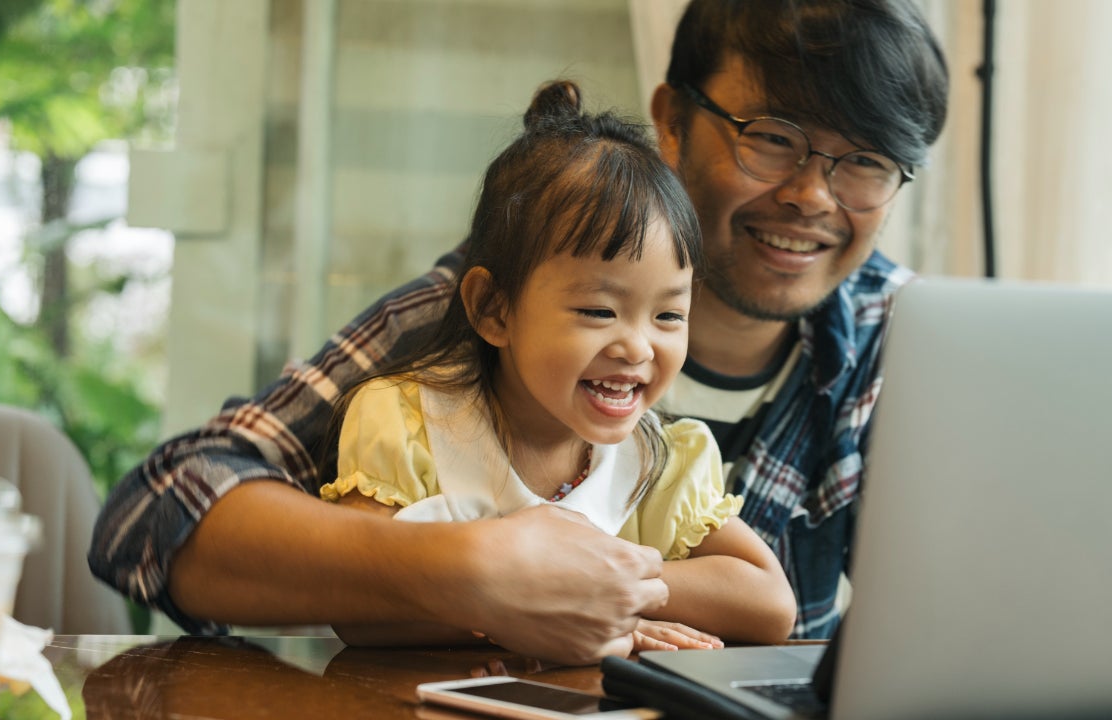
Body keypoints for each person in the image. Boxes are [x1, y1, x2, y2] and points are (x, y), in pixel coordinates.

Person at [89, 0, 948, 662]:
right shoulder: (495, 311)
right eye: (774, 138)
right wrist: (460, 573)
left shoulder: (911, 341)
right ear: (673, 121)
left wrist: (616, 590)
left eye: (865, 160)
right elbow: (157, 514)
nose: (813, 195)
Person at [320, 80, 795, 655]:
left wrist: (608, 592)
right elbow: (355, 607)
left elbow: (770, 604)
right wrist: (524, 610)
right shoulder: (409, 424)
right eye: (599, 310)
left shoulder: (656, 461)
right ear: (494, 310)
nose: (639, 347)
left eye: (669, 314)